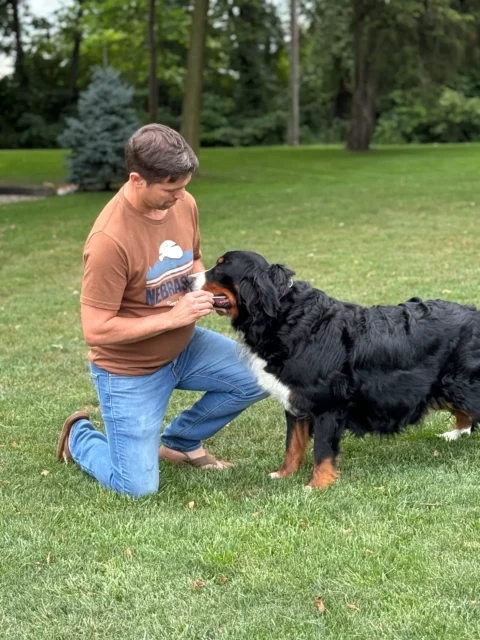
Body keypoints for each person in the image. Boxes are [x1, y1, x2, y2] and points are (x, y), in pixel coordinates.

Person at [56, 124, 267, 497]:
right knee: (136, 487)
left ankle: (181, 442)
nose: (181, 196)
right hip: (129, 369)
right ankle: (79, 437)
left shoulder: (184, 204)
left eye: (183, 186)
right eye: (171, 189)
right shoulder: (109, 241)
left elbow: (193, 258)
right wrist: (174, 317)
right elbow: (96, 330)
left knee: (262, 373)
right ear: (137, 179)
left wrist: (208, 292)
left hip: (184, 346)